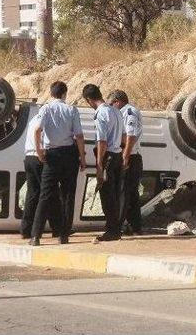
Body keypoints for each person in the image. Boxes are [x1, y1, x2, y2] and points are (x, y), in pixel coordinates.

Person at [30, 81, 86, 246]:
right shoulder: (71, 109)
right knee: (68, 195)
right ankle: (64, 235)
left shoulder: (46, 109)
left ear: (51, 93)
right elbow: (79, 136)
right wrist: (82, 158)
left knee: (45, 194)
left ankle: (36, 236)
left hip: (52, 155)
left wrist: (40, 152)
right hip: (69, 155)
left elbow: (37, 130)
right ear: (65, 93)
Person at [82, 83, 125, 242]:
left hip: (107, 157)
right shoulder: (116, 111)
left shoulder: (101, 114)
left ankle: (112, 231)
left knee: (107, 195)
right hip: (117, 155)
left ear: (88, 100)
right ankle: (116, 229)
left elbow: (101, 141)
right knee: (115, 194)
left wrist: (99, 166)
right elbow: (123, 138)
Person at [20, 113, 62, 240]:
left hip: (29, 158)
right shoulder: (46, 120)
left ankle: (26, 229)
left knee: (32, 194)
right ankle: (58, 228)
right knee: (50, 193)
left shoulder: (33, 119)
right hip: (40, 157)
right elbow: (43, 138)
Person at [107, 89, 144, 236]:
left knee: (122, 193)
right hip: (131, 156)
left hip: (130, 157)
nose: (109, 107)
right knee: (131, 194)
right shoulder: (121, 112)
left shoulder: (129, 112)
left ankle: (116, 229)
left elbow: (131, 135)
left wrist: (125, 156)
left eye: (111, 104)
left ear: (117, 101)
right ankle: (136, 227)